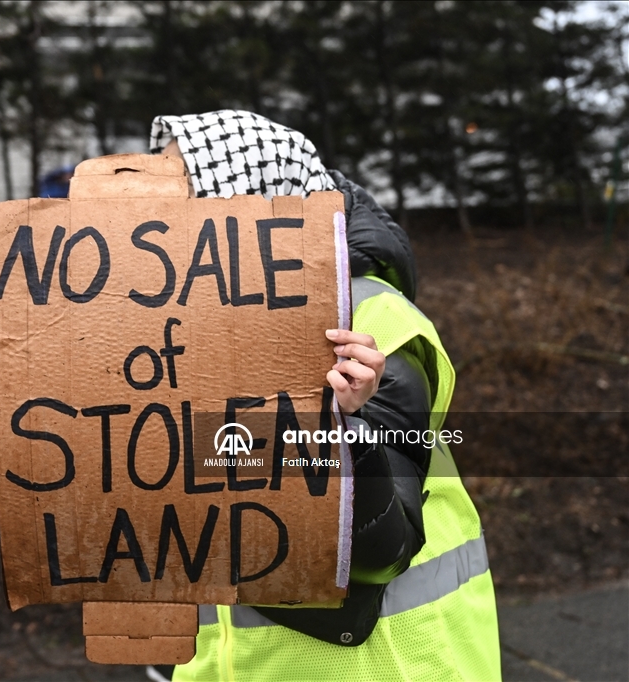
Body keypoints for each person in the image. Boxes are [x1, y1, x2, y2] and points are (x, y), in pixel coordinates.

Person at [149, 110, 501, 681]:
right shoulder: (183, 335)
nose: (159, 206)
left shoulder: (369, 319)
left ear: (244, 193)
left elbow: (378, 546)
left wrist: (340, 432)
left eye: (180, 185)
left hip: (381, 665)